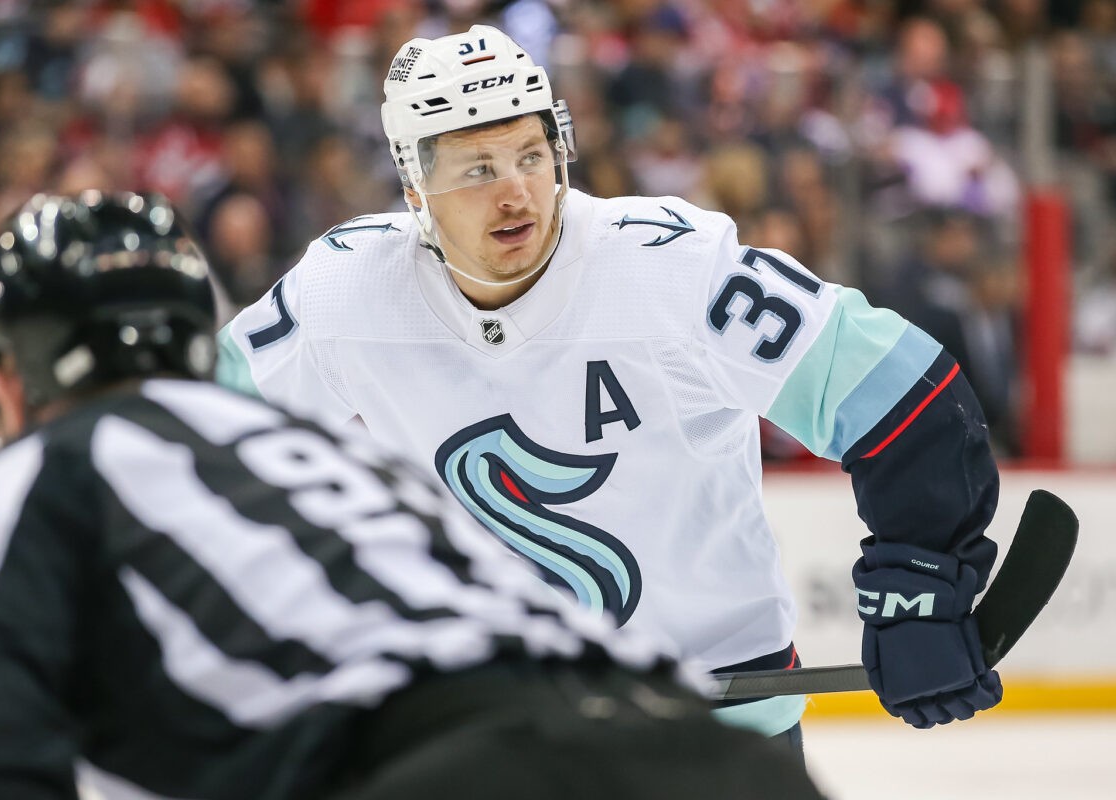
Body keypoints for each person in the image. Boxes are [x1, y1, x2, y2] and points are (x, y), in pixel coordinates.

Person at [217, 25, 1004, 742]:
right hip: (491, 739)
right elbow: (186, 427)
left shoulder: (671, 269)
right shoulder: (345, 290)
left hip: (714, 737)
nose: (516, 192)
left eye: (532, 156)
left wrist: (920, 583)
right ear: (414, 187)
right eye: (479, 169)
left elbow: (905, 396)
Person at [0, 191, 827, 800]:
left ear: (1, 381)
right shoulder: (324, 454)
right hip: (697, 749)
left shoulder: (33, 479)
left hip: (446, 773)